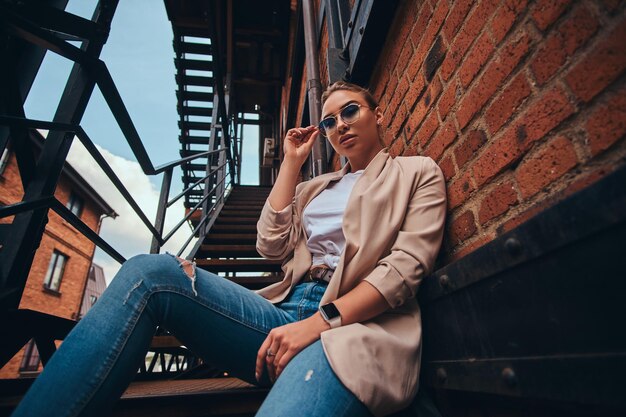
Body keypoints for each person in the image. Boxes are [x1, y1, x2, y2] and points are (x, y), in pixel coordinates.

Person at [10, 81, 446, 417]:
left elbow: (404, 269)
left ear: (378, 113)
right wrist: (292, 164)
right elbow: (270, 244)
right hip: (283, 313)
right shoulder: (315, 188)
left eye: (350, 111)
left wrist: (320, 322)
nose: (341, 125)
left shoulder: (415, 172)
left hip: (354, 327)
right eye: (330, 121)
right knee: (150, 272)